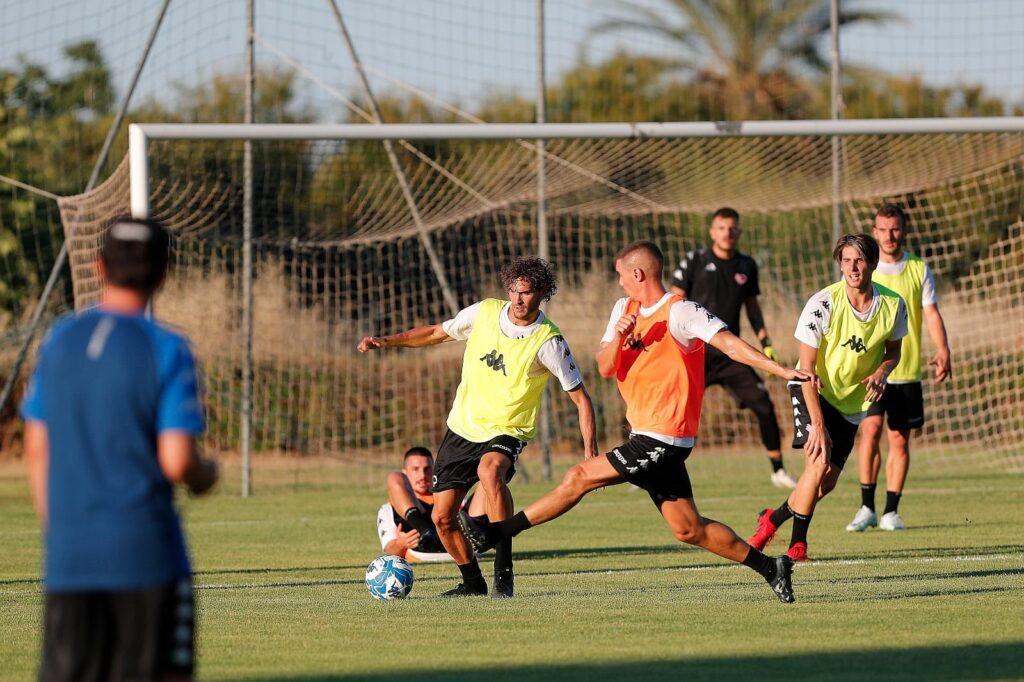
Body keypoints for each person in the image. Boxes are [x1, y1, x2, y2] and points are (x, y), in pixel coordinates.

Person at [463, 241, 812, 604]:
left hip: (665, 438)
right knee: (689, 529)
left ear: (638, 274)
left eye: (620, 275)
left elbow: (729, 344)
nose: (618, 283)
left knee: (578, 477)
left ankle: (495, 532)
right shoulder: (623, 309)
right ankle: (772, 569)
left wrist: (780, 369)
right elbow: (604, 366)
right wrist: (619, 337)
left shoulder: (682, 311)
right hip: (646, 434)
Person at [22, 217, 218, 682]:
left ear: (98, 266)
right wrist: (207, 474)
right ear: (164, 273)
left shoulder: (60, 340)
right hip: (145, 558)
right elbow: (176, 460)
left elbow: (36, 448)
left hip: (71, 561)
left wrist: (66, 529)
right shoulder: (166, 348)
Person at [358, 257, 597, 598]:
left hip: (507, 430)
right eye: (513, 291)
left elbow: (581, 400)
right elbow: (435, 332)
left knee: (490, 471)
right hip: (462, 429)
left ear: (542, 294)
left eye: (526, 293)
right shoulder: (483, 312)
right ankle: (472, 582)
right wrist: (389, 340)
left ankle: (504, 570)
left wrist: (590, 452)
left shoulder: (549, 341)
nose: (518, 299)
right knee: (442, 519)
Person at [749, 234, 907, 561]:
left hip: (851, 403)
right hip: (812, 389)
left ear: (873, 263)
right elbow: (805, 369)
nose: (852, 267)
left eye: (859, 259)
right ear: (839, 263)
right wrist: (817, 425)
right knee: (817, 463)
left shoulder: (893, 305)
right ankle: (797, 546)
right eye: (846, 260)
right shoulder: (823, 303)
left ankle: (773, 518)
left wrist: (882, 372)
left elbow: (894, 350)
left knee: (825, 484)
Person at [670, 207, 797, 489]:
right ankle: (646, 466)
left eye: (732, 228)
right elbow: (674, 302)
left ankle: (778, 471)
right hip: (694, 353)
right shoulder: (695, 260)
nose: (727, 233)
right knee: (671, 408)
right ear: (712, 232)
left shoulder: (746, 266)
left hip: (730, 354)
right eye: (721, 227)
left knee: (764, 406)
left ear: (738, 232)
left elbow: (752, 308)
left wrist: (765, 341)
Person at [845, 204, 952, 532]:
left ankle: (891, 510)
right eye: (883, 229)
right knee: (870, 431)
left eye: (895, 229)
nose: (889, 235)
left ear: (903, 231)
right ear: (874, 232)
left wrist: (943, 347)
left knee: (900, 440)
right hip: (871, 371)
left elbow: (930, 312)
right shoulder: (866, 269)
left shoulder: (919, 269)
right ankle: (866, 507)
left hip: (905, 371)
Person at [377, 446, 490, 562]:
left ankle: (499, 538)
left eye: (427, 469)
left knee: (489, 474)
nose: (422, 476)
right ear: (405, 474)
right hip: (423, 551)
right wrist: (401, 543)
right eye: (415, 469)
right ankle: (425, 532)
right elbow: (389, 551)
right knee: (394, 477)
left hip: (463, 546)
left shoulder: (453, 498)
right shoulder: (388, 509)